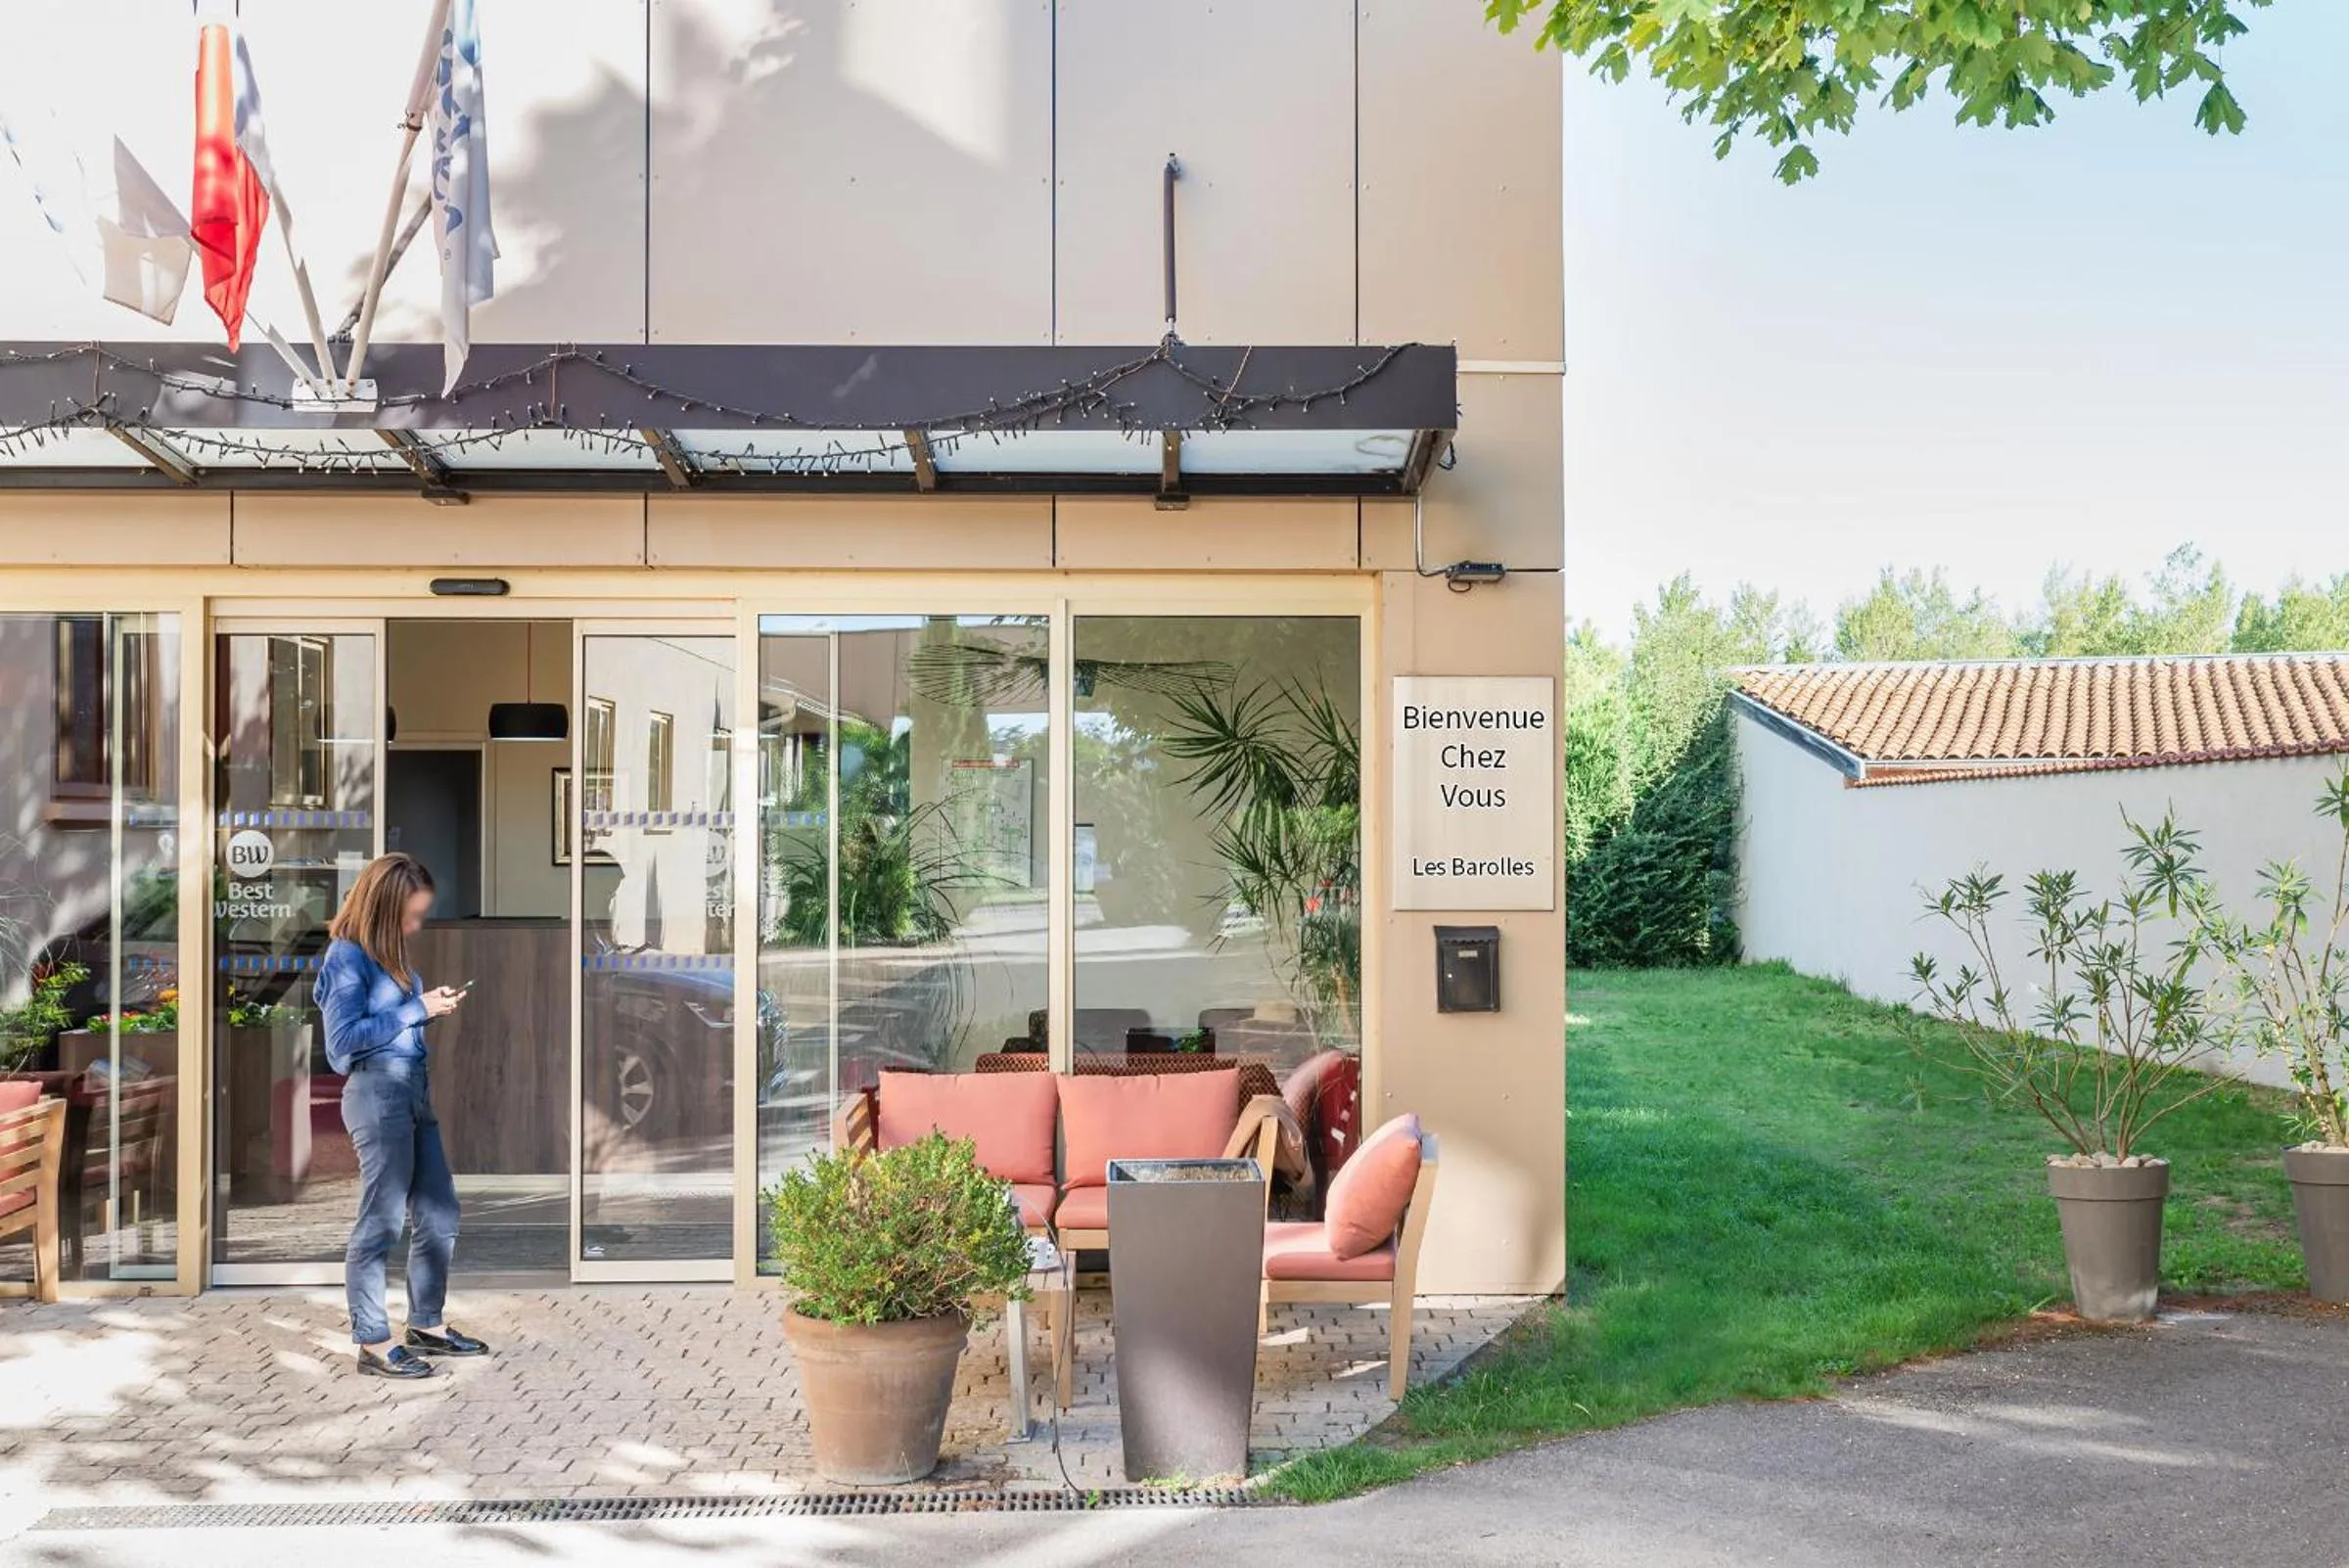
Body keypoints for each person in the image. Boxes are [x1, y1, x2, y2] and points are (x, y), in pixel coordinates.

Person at [317, 853, 490, 1379]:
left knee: (440, 1213)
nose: (415, 925)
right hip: (378, 1095)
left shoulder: (387, 954)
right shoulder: (346, 957)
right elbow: (341, 1045)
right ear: (383, 908)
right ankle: (373, 1342)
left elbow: (391, 1027)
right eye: (410, 915)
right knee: (382, 1222)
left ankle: (426, 1325)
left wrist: (427, 1010)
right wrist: (418, 1009)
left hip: (412, 1090)